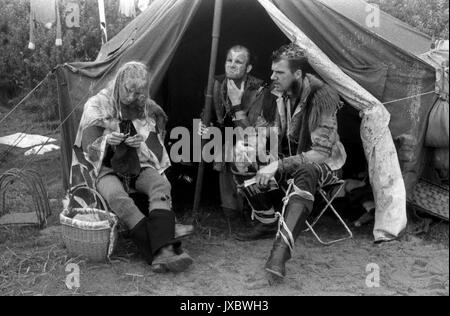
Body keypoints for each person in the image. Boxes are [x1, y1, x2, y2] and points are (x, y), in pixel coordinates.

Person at [73, 61, 193, 273]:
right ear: (119, 82)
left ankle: (160, 252)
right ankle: (164, 250)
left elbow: (153, 139)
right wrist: (107, 140)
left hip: (136, 163)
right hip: (106, 168)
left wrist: (139, 142)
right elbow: (87, 148)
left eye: (139, 92)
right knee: (117, 197)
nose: (133, 97)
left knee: (160, 186)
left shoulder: (143, 105)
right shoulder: (97, 105)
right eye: (129, 91)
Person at [243, 43, 347, 278]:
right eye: (272, 71)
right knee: (241, 155)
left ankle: (279, 255)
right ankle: (267, 219)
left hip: (327, 166)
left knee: (307, 171)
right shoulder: (281, 95)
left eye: (279, 72)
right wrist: (255, 142)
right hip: (292, 159)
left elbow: (320, 152)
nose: (272, 77)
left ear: (297, 74)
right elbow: (273, 131)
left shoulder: (323, 98)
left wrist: (277, 165)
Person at [200, 45, 265, 221]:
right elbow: (208, 114)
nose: (232, 65)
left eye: (238, 62)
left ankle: (253, 209)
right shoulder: (217, 84)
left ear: (248, 68)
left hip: (255, 142)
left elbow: (249, 133)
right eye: (229, 60)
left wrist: (236, 103)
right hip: (225, 139)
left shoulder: (258, 90)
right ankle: (231, 209)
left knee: (239, 150)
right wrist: (205, 125)